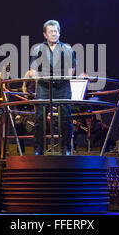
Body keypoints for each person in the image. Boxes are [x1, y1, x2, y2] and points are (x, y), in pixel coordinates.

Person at [30, 20, 76, 155]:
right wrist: (39, 79)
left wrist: (63, 79)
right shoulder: (38, 49)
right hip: (44, 87)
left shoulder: (67, 49)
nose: (54, 34)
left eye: (56, 31)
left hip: (62, 87)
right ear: (45, 34)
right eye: (51, 31)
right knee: (40, 118)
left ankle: (66, 149)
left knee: (66, 118)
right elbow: (33, 69)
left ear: (59, 32)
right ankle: (38, 149)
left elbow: (71, 69)